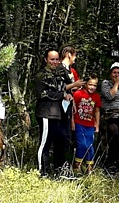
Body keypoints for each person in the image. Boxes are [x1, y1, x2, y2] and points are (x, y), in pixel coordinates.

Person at [34, 48, 72, 177]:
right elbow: (43, 94)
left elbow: (68, 86)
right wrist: (62, 94)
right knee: (45, 143)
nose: (55, 62)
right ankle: (41, 171)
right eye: (52, 59)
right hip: (45, 113)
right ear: (46, 59)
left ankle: (59, 170)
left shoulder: (61, 73)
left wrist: (68, 94)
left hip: (59, 113)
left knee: (61, 141)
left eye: (57, 59)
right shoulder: (40, 75)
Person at [56, 46, 87, 176]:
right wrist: (75, 85)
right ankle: (59, 166)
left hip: (68, 105)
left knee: (67, 136)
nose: (75, 58)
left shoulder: (70, 70)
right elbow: (59, 87)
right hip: (59, 107)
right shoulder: (60, 68)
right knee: (62, 136)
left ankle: (64, 165)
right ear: (69, 54)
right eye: (74, 55)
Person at [71, 74, 101, 174]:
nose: (92, 87)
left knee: (90, 146)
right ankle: (76, 165)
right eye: (90, 84)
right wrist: (72, 123)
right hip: (79, 123)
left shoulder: (96, 96)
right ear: (85, 84)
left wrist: (97, 124)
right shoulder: (78, 94)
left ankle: (89, 168)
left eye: (95, 85)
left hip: (90, 125)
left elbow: (97, 111)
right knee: (82, 145)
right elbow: (72, 108)